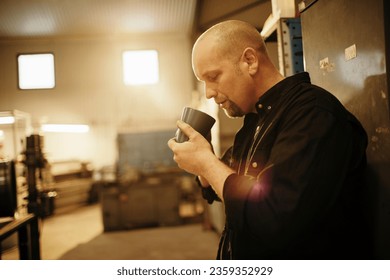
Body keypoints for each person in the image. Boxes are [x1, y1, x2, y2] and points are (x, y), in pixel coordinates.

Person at [167, 20, 371, 259]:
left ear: (250, 61)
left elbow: (274, 216)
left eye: (213, 77)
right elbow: (228, 182)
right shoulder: (256, 120)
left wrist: (206, 163)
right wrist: (203, 164)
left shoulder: (313, 114)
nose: (209, 93)